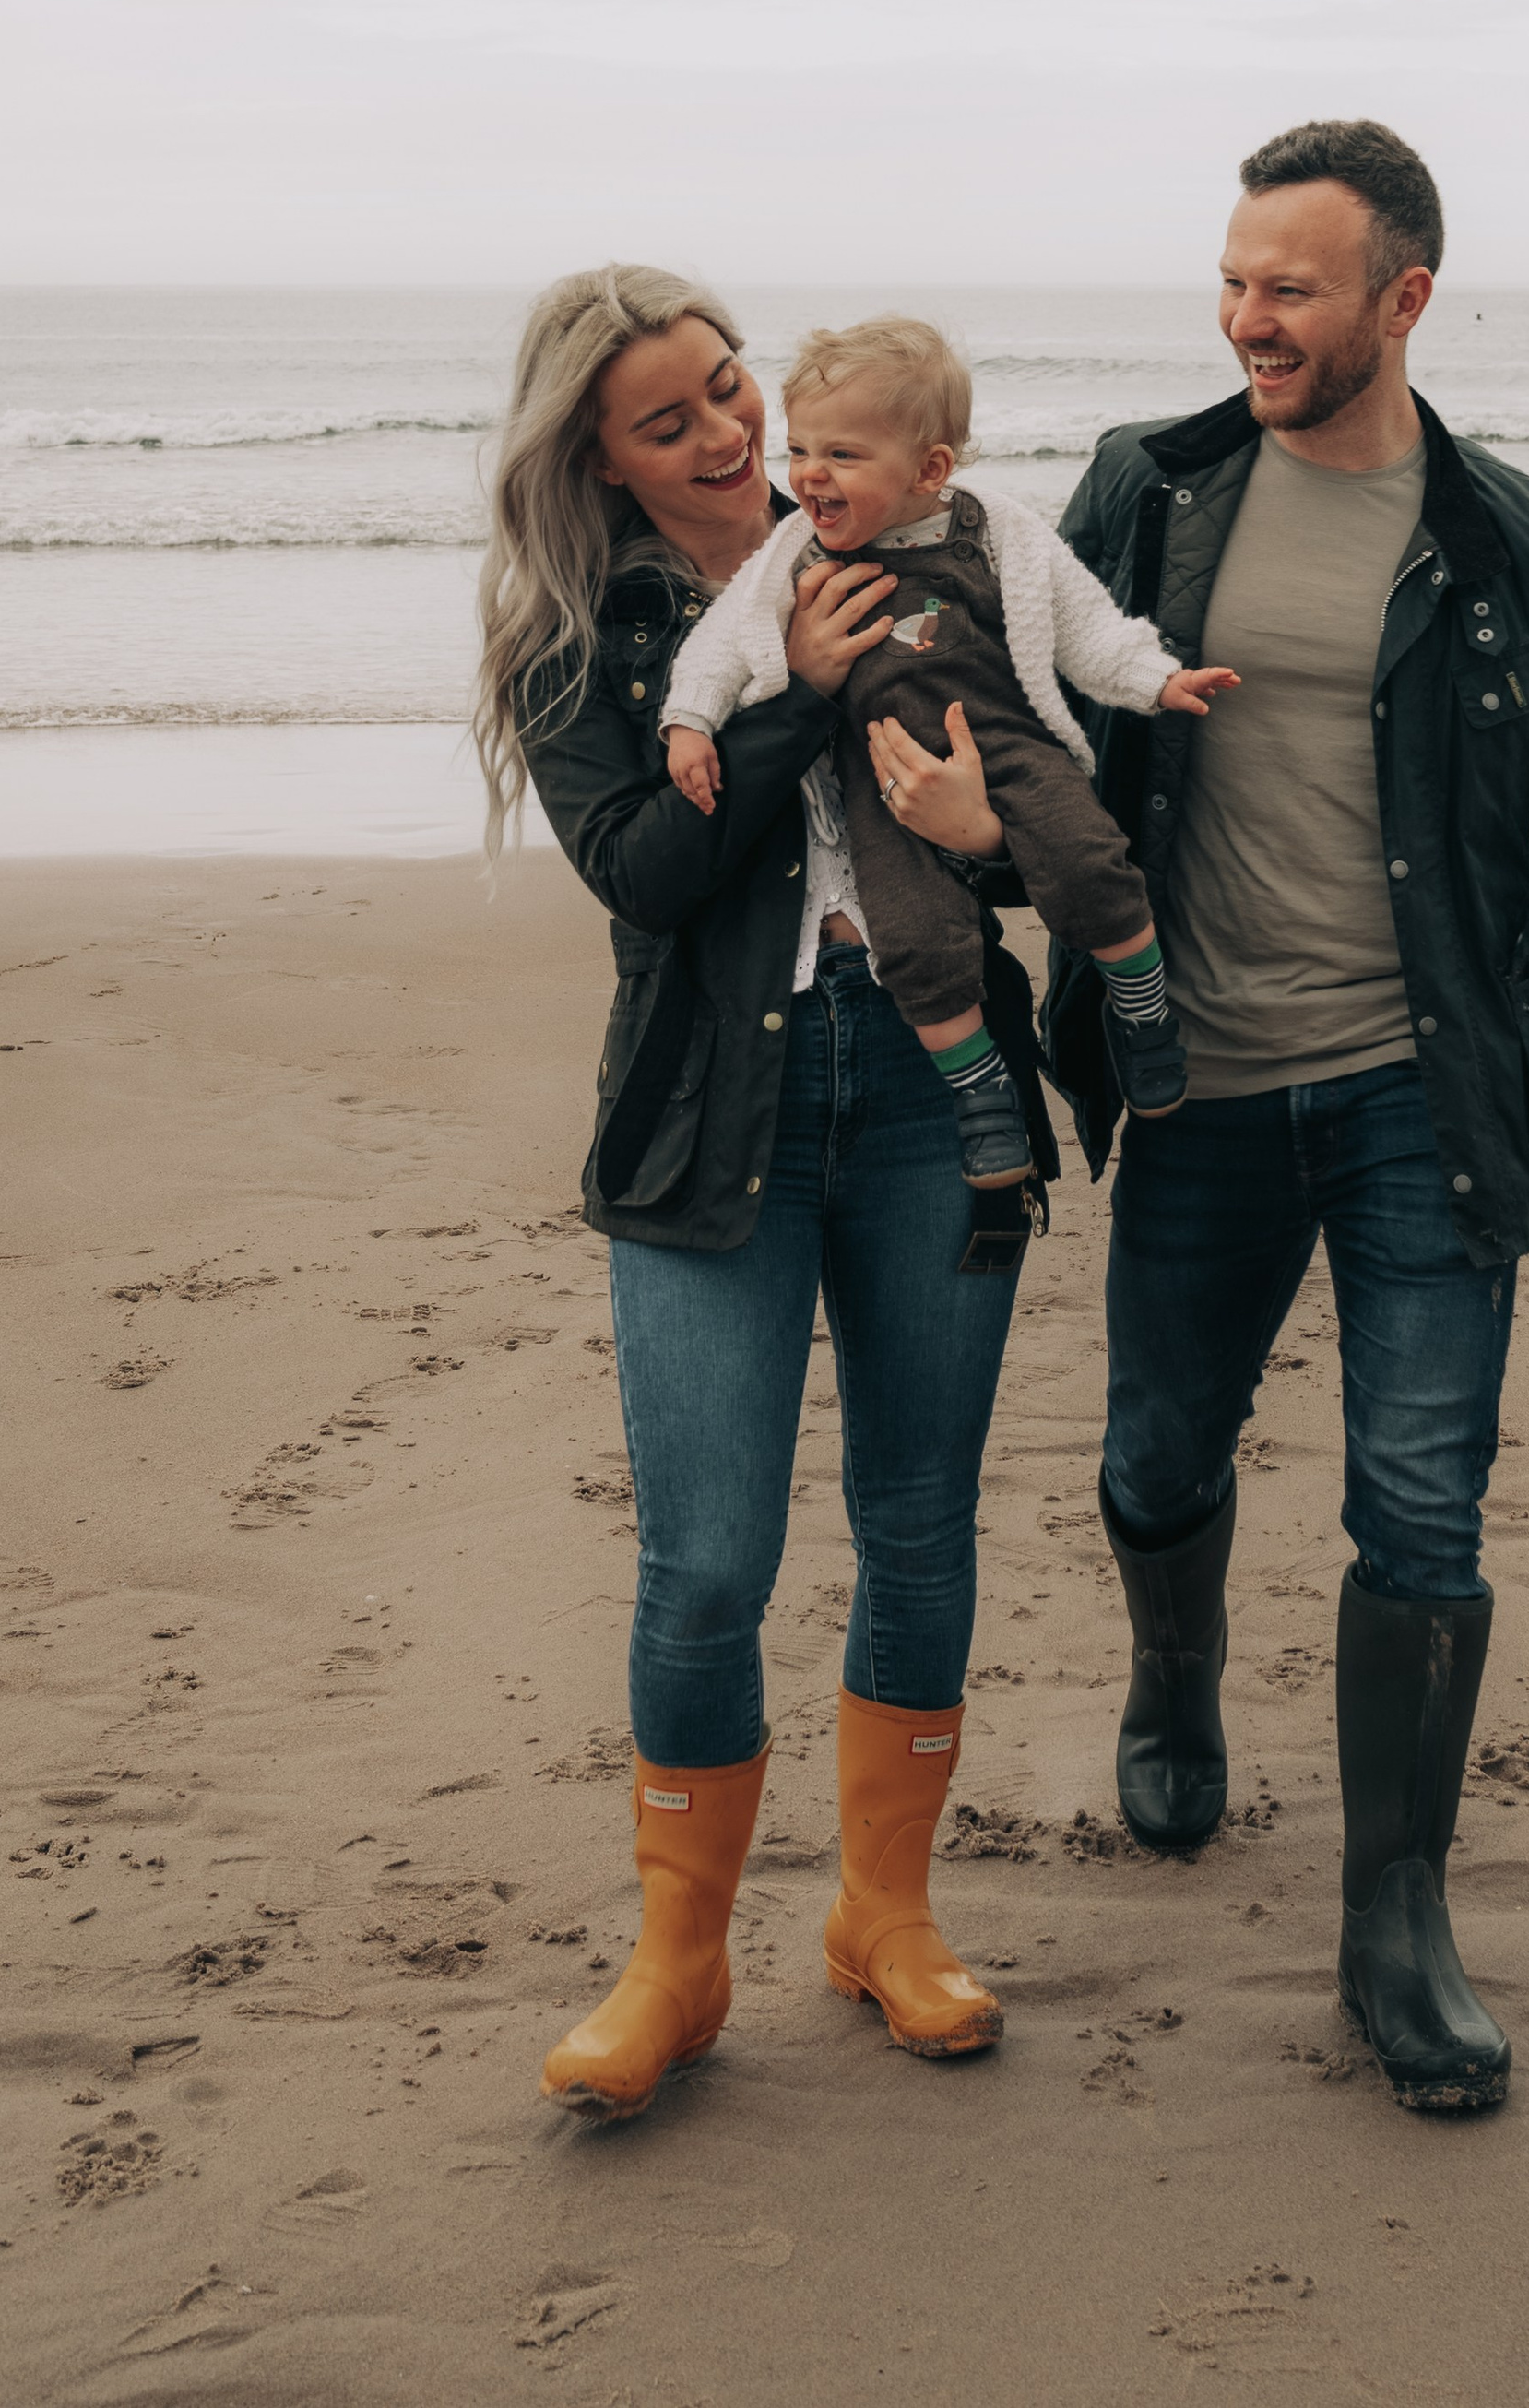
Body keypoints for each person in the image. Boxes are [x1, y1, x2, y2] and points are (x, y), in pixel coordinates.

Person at [1045, 122, 1529, 2114]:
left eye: (1294, 288)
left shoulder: (1524, 542)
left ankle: (1397, 1918)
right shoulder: (1146, 492)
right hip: (1196, 1083)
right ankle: (1175, 1677)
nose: (1251, 316)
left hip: (1429, 1091)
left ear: (1402, 300)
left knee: (1423, 1507)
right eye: (1237, 279)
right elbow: (1053, 752)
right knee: (1161, 1448)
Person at [471, 265, 1039, 2120]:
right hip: (708, 1118)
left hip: (924, 1082)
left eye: (731, 388)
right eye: (675, 419)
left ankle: (886, 1915)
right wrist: (792, 698)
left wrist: (1002, 840)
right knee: (707, 1559)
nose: (730, 435)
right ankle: (679, 1958)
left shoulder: (911, 540)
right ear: (604, 462)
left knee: (919, 1519)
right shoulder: (583, 637)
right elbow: (645, 867)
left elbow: (1040, 785)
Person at [660, 314, 1237, 1187]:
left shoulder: (993, 530)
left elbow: (1085, 624)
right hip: (878, 777)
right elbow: (725, 642)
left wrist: (1157, 680)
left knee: (1090, 859)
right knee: (914, 940)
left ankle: (1144, 1011)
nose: (811, 474)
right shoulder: (796, 550)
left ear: (929, 468)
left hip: (1004, 745)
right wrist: (690, 721)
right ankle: (980, 1095)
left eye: (844, 455)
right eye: (803, 450)